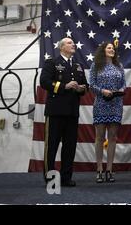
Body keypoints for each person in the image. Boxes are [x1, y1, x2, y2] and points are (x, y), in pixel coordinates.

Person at [40, 37, 88, 187]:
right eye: (69, 43)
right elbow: (44, 82)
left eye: (73, 43)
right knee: (52, 146)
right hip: (55, 111)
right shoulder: (52, 63)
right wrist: (64, 86)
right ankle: (50, 178)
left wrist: (82, 89)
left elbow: (85, 85)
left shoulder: (78, 66)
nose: (73, 44)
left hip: (72, 112)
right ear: (61, 47)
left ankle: (66, 177)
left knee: (70, 147)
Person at [89, 42, 125, 183]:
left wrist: (121, 90)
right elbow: (91, 84)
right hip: (101, 103)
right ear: (103, 50)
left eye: (113, 48)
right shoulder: (95, 65)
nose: (112, 50)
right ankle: (99, 169)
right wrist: (102, 91)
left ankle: (109, 170)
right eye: (109, 48)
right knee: (99, 138)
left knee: (113, 138)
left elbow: (124, 83)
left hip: (116, 104)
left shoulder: (119, 66)